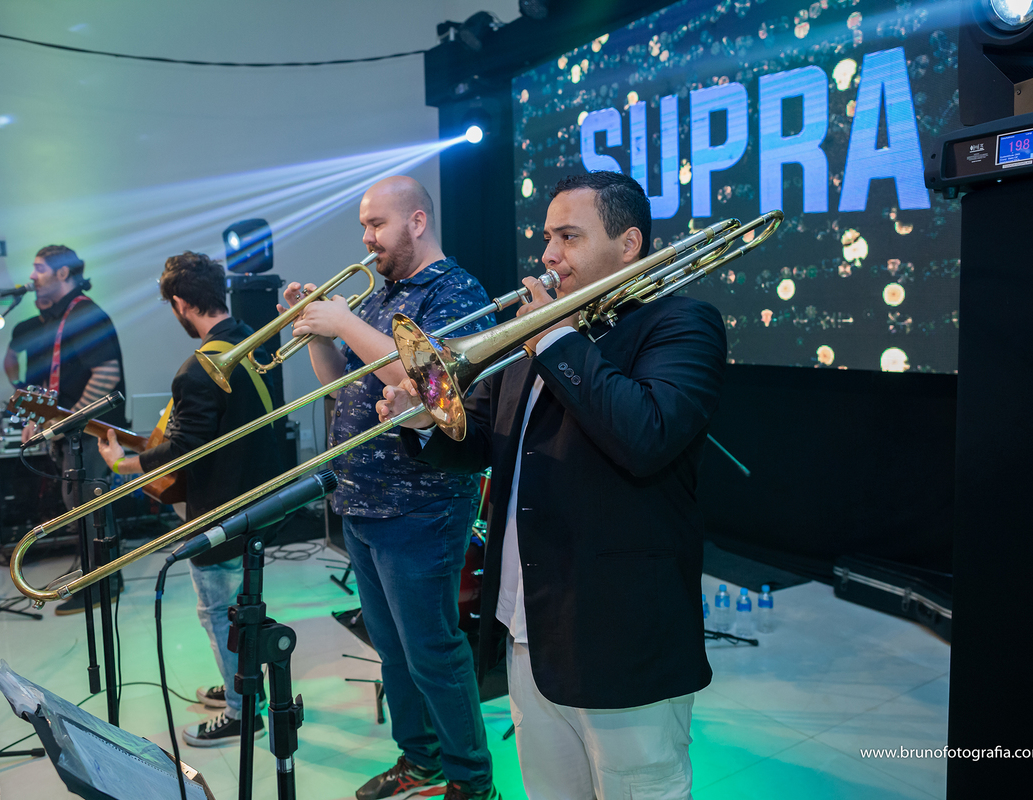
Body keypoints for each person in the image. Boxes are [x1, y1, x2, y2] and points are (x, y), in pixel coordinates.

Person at [379, 171, 725, 799]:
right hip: (528, 628)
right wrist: (425, 422)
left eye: (569, 237)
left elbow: (646, 434)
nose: (549, 255)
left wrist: (556, 339)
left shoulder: (681, 323)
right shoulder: (535, 335)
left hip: (619, 635)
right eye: (547, 238)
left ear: (628, 244)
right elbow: (483, 442)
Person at [280, 176, 499, 800]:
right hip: (363, 500)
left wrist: (346, 321)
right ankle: (420, 761)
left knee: (432, 650)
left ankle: (471, 781)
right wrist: (322, 336)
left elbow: (432, 381)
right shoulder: (382, 298)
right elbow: (342, 381)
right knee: (394, 650)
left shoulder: (456, 291)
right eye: (364, 226)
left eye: (376, 224)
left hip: (421, 504)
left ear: (417, 222)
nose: (367, 238)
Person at [97, 251, 283, 746]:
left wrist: (123, 464)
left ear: (180, 302)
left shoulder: (197, 370)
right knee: (242, 606)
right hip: (259, 500)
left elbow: (183, 451)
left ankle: (244, 711)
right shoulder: (250, 339)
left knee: (218, 610)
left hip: (220, 511)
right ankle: (243, 685)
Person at [14, 245, 127, 616]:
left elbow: (106, 375)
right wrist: (36, 417)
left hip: (94, 433)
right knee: (77, 503)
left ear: (63, 273)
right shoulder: (61, 317)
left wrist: (65, 423)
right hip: (80, 431)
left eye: (39, 268)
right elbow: (58, 380)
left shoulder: (84, 314)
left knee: (88, 504)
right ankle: (93, 575)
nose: (32, 276)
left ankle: (104, 584)